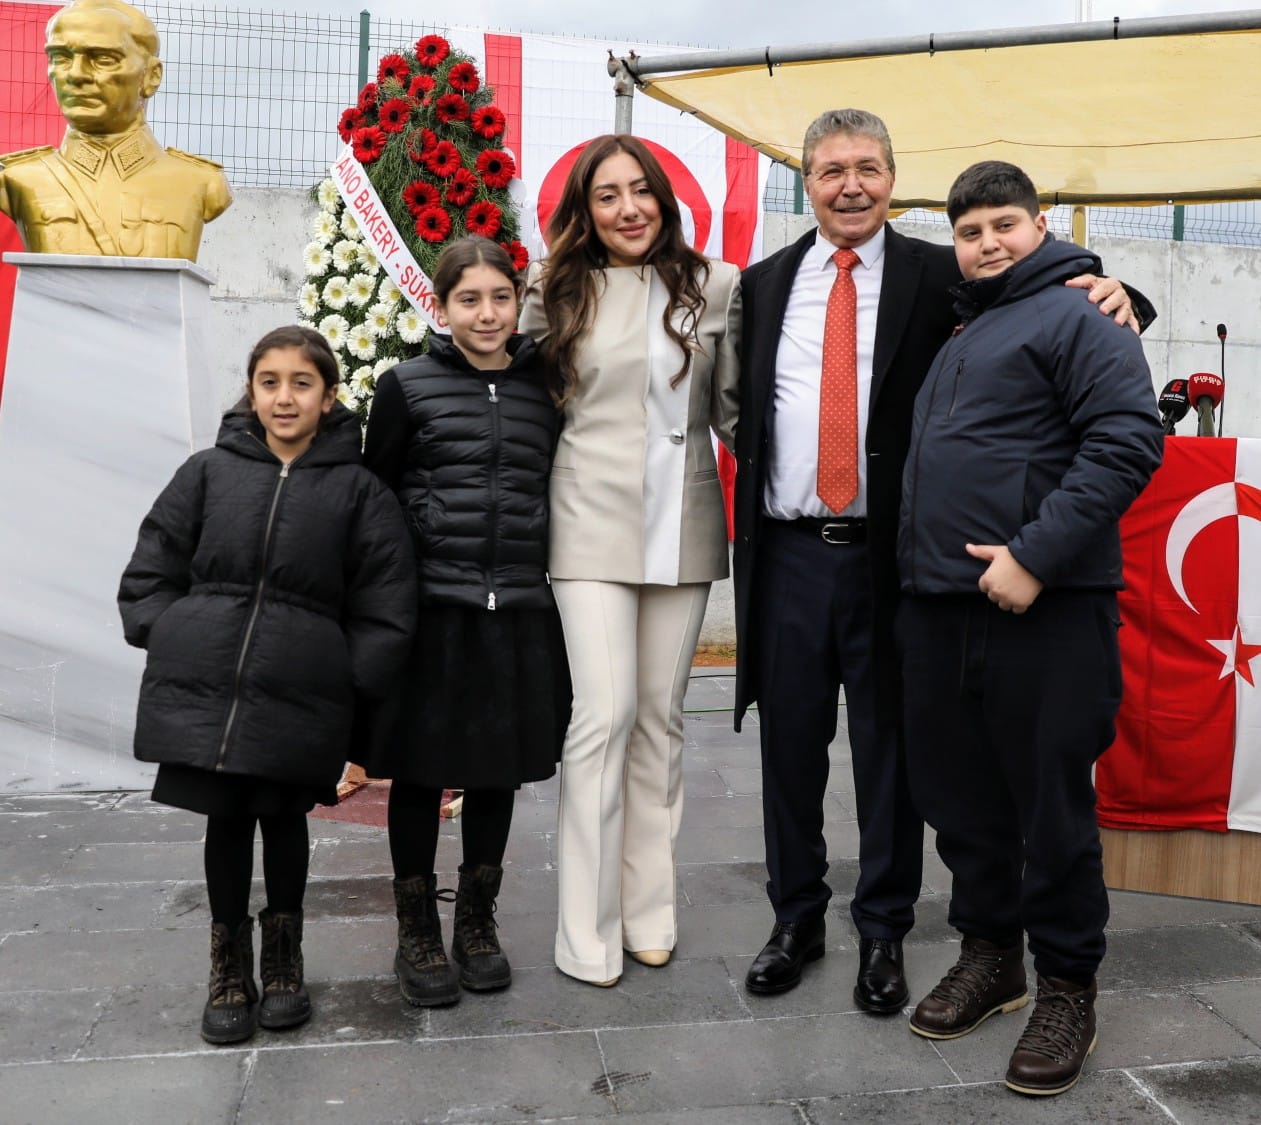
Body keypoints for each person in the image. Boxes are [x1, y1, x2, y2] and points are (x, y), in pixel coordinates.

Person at [732, 108, 1151, 1007]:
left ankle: (884, 930)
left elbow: (1059, 307)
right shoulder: (764, 284)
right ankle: (794, 917)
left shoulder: (940, 274)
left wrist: (1118, 290)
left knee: (896, 751)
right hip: (799, 555)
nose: (850, 185)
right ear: (805, 182)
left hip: (894, 561)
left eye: (868, 168)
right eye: (831, 169)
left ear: (893, 180)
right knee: (797, 745)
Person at [896, 160, 1162, 1094]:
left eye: (1003, 224)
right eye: (968, 232)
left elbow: (1127, 441)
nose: (987, 243)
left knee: (1050, 811)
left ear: (1040, 224)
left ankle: (1066, 986)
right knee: (962, 804)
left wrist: (1033, 556)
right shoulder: (963, 323)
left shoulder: (1082, 314)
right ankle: (990, 956)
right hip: (941, 606)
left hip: (1046, 607)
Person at [117, 326, 416, 1044]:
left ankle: (283, 960)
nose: (285, 397)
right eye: (270, 381)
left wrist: (345, 677)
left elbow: (386, 601)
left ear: (329, 396)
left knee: (283, 820)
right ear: (250, 391)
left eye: (301, 383)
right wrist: (173, 631)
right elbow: (153, 564)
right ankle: (229, 964)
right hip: (211, 687)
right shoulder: (207, 473)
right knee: (226, 819)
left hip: (301, 694)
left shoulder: (358, 492)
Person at [519, 134, 740, 987]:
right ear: (584, 209)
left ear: (664, 197)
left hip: (683, 524)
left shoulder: (716, 285)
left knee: (658, 720)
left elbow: (735, 411)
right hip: (586, 523)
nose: (627, 208)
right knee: (601, 716)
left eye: (640, 189)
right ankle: (585, 931)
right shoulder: (551, 289)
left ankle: (650, 913)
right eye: (606, 195)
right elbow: (517, 398)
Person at [361, 237, 570, 1007]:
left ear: (519, 302)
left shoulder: (546, 387)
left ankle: (476, 921)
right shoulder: (405, 388)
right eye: (468, 299)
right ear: (440, 307)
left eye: (500, 297)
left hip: (515, 609)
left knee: (494, 771)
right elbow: (376, 498)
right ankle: (416, 927)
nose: (487, 314)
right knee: (419, 772)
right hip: (431, 613)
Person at [0, 0, 231, 259]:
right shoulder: (17, 179)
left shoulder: (199, 182)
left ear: (151, 76)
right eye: (61, 58)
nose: (76, 75)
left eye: (103, 59)